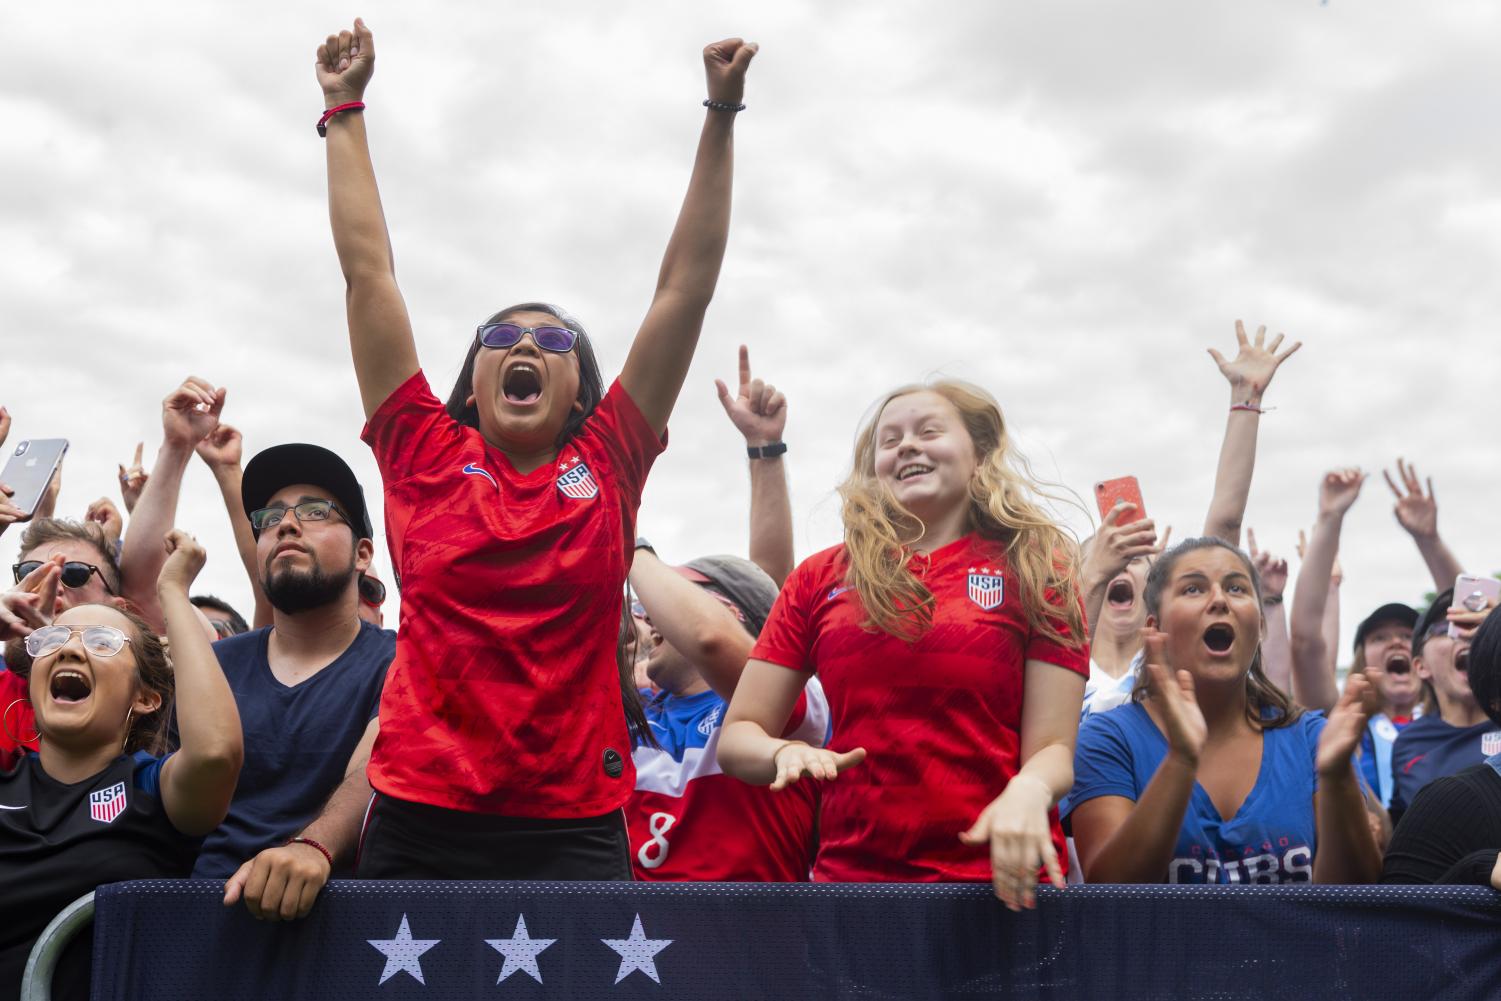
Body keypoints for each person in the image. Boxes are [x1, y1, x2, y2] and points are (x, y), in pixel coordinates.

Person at [314, 19, 757, 879]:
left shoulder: (612, 454)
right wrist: (344, 106)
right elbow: (369, 272)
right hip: (419, 811)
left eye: (553, 341)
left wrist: (721, 113)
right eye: (500, 335)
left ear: (581, 391)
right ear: (472, 381)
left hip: (573, 821)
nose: (526, 345)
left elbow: (683, 290)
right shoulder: (420, 449)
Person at [719, 380, 1087, 910]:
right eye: (889, 441)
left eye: (928, 431)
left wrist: (1030, 789)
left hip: (1002, 890)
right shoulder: (818, 578)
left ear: (980, 458)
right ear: (874, 474)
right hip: (856, 890)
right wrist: (784, 751)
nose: (907, 445)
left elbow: (1053, 750)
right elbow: (738, 738)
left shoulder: (1038, 566)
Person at [0, 532, 242, 1001]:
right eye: (53, 639)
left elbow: (215, 753)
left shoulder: (151, 789)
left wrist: (170, 591)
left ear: (147, 698)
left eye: (103, 642)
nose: (69, 651)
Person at [1065, 536, 1382, 884]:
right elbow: (1111, 894)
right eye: (1193, 590)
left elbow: (1355, 896)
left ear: (1260, 625)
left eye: (1236, 588)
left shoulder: (1312, 739)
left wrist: (1337, 779)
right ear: (1155, 630)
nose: (1219, 600)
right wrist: (1181, 761)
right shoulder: (1108, 740)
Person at [198, 444, 394, 924]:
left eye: (314, 511)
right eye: (269, 519)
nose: (285, 524)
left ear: (362, 553)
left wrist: (313, 846)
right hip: (199, 915)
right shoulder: (214, 666)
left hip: (343, 925)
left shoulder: (401, 657)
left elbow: (375, 768)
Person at [1078, 321, 1297, 717]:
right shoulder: (1056, 668)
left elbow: (1224, 527)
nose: (1122, 560)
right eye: (1108, 550)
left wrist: (1245, 401)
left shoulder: (1171, 665)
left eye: (1139, 557)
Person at [628, 550, 828, 881]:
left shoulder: (788, 704)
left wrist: (629, 543)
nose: (650, 617)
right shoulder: (633, 712)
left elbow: (711, 638)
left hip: (744, 930)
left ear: (730, 613)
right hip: (631, 932)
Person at [1382, 604, 1501, 885]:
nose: (1466, 634)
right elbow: (1397, 921)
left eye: (1476, 627)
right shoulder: (1445, 799)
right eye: (1447, 628)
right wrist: (1479, 871)